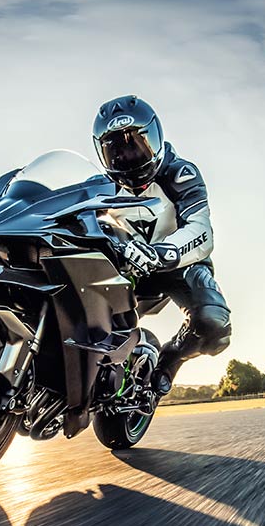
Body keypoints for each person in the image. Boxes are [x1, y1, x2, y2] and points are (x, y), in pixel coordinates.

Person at [92, 95, 232, 395]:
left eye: (135, 144)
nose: (128, 156)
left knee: (214, 325)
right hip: (126, 264)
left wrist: (163, 253)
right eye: (116, 150)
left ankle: (170, 360)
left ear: (155, 138)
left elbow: (201, 229)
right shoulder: (98, 186)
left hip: (178, 264)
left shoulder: (180, 173)